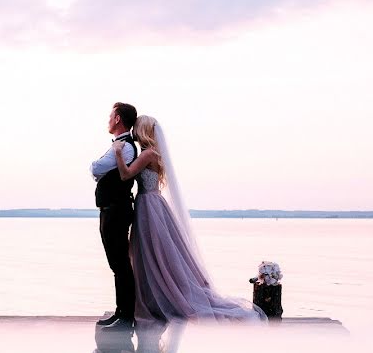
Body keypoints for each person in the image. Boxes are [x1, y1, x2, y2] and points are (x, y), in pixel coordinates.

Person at [112, 115, 267, 324]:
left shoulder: (148, 154)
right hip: (154, 204)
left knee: (151, 253)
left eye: (136, 128)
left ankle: (158, 300)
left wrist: (118, 153)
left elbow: (126, 174)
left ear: (142, 131)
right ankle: (156, 298)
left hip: (148, 205)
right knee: (154, 254)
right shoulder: (155, 154)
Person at [90, 103, 139, 331]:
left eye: (110, 115)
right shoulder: (120, 145)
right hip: (111, 210)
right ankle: (121, 312)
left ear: (118, 119)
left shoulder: (125, 147)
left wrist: (97, 168)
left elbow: (97, 167)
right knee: (117, 264)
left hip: (116, 211)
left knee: (120, 264)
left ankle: (126, 315)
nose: (108, 119)